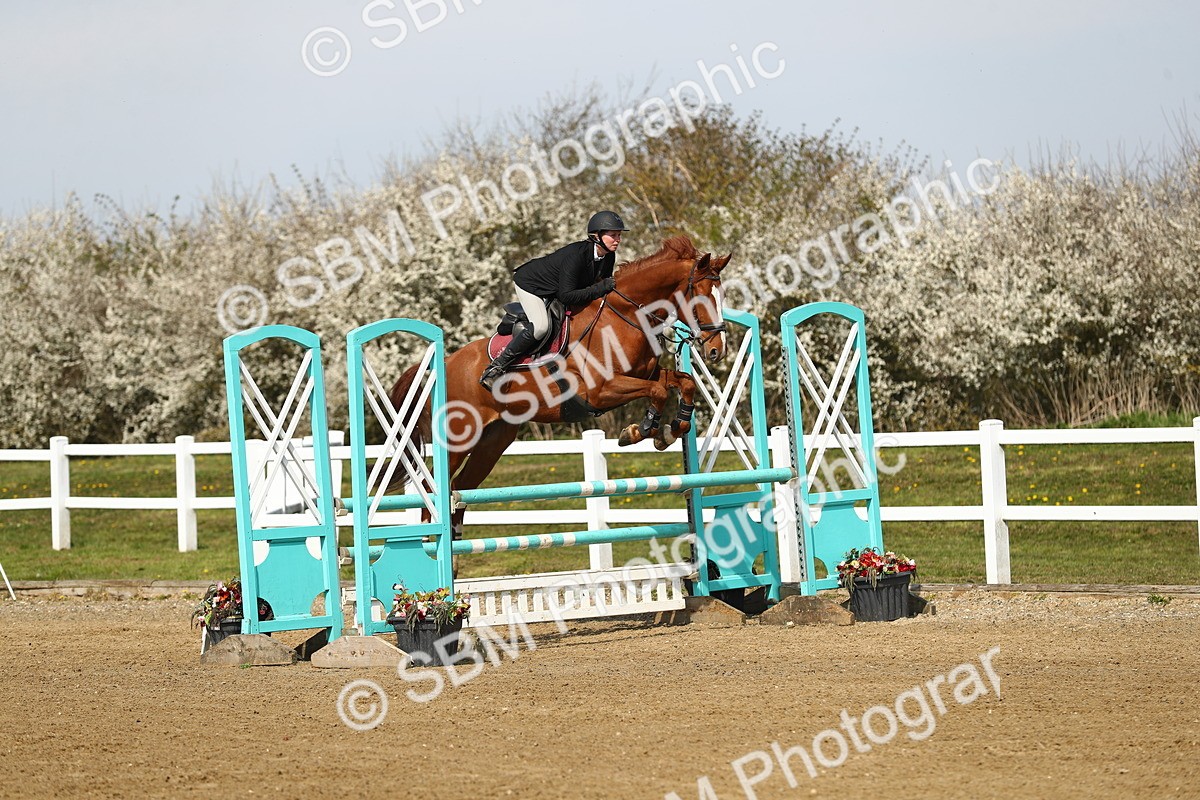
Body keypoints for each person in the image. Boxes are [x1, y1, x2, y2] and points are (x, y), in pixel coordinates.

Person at [479, 210, 629, 390]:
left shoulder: (608, 255)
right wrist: (601, 287)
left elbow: (599, 286)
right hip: (531, 284)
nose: (617, 239)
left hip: (557, 288)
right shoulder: (576, 256)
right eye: (613, 235)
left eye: (619, 235)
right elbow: (567, 295)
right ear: (596, 236)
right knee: (541, 326)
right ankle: (496, 367)